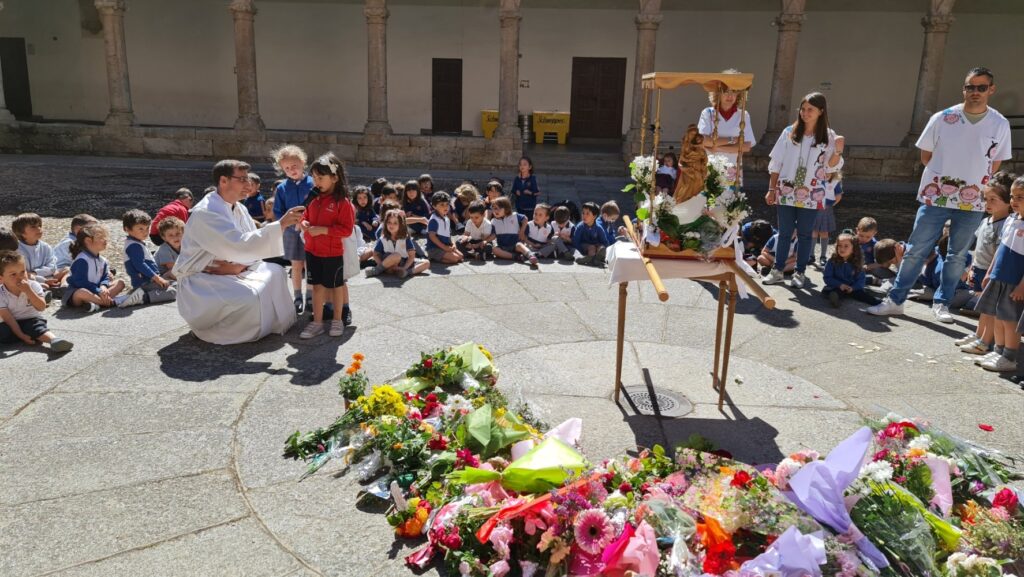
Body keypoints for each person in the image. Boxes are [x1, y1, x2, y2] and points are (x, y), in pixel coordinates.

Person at [869, 67, 1013, 322]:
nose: (975, 92)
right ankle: (896, 300)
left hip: (973, 198)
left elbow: (996, 161)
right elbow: (926, 155)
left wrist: (974, 180)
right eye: (970, 87)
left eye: (981, 87)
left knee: (957, 254)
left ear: (991, 89)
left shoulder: (999, 123)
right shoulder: (943, 118)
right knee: (916, 248)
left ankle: (942, 303)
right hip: (936, 194)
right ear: (964, 89)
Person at [173, 159, 306, 345]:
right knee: (248, 297)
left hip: (235, 266)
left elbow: (248, 244)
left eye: (248, 179)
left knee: (276, 272)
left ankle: (270, 325)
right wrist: (281, 224)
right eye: (242, 179)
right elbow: (238, 245)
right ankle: (226, 330)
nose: (248, 185)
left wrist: (240, 266)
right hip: (202, 276)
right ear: (223, 181)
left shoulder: (240, 207)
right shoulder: (207, 212)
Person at [763, 92, 844, 289]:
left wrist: (838, 150)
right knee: (785, 232)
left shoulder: (829, 136)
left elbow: (830, 168)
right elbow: (776, 163)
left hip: (813, 192)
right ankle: (778, 270)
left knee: (806, 234)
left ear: (821, 111)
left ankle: (800, 272)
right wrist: (771, 189)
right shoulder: (789, 132)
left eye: (810, 110)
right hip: (787, 190)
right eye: (803, 109)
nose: (805, 113)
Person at [298, 153, 355, 339]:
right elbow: (305, 215)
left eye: (320, 178)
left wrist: (323, 230)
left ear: (335, 178)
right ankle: (317, 323)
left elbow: (346, 230)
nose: (316, 182)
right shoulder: (313, 198)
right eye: (313, 177)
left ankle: (337, 320)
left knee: (336, 286)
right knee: (316, 287)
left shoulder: (342, 203)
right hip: (312, 250)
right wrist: (304, 223)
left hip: (332, 253)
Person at [972, 176, 1024, 372]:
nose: (1014, 201)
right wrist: (990, 272)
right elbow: (1001, 249)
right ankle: (999, 350)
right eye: (1012, 196)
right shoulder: (1011, 220)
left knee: (1010, 320)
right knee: (998, 316)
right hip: (1000, 277)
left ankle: (1009, 357)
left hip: (1015, 281)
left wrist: (1022, 285)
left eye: (1020, 197)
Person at [956, 172, 1012, 355]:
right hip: (980, 270)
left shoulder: (1006, 225)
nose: (987, 203)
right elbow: (978, 248)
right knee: (983, 309)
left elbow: (1000, 254)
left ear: (1008, 201)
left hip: (992, 273)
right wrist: (971, 267)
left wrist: (990, 273)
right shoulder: (986, 221)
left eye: (993, 199)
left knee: (990, 311)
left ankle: (984, 342)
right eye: (985, 199)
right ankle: (979, 335)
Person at [0, 251, 73, 352]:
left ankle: (54, 340)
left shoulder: (33, 285)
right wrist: (21, 335)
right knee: (3, 331)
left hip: (31, 319)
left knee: (36, 327)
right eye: (13, 274)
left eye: (23, 272)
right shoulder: (1, 293)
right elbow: (8, 318)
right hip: (10, 322)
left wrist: (28, 291)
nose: (20, 277)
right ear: (1, 279)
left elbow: (41, 307)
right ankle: (27, 336)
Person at [271, 144, 314, 315]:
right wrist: (289, 223)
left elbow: (317, 207)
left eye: (294, 166)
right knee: (296, 265)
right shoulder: (282, 188)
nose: (291, 170)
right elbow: (278, 212)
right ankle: (297, 296)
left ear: (302, 162)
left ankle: (310, 295)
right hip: (291, 232)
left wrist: (307, 222)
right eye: (287, 168)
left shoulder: (313, 184)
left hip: (310, 230)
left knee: (310, 264)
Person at [697, 71, 756, 168]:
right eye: (726, 91)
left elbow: (746, 146)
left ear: (738, 94)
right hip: (710, 166)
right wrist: (733, 140)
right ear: (718, 93)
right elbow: (703, 141)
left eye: (734, 91)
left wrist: (717, 148)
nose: (730, 96)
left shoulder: (743, 115)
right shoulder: (708, 113)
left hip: (733, 169)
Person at [63, 224, 129, 312]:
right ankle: (111, 302)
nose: (105, 240)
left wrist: (103, 286)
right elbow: (80, 282)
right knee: (82, 292)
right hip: (78, 293)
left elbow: (105, 276)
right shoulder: (82, 260)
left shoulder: (102, 260)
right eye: (101, 237)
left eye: (105, 237)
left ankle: (95, 304)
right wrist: (98, 290)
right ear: (88, 241)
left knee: (120, 283)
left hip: (97, 291)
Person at [119, 209, 176, 308]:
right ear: (127, 229)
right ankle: (142, 298)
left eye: (147, 228)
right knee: (173, 292)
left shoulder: (136, 243)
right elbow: (140, 264)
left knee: (177, 284)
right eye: (140, 229)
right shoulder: (134, 246)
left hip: (150, 281)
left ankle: (141, 294)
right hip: (145, 283)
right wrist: (157, 278)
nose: (145, 232)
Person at [366, 209, 429, 278]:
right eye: (389, 222)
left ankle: (405, 272)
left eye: (395, 223)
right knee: (396, 256)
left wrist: (404, 268)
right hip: (388, 262)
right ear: (385, 224)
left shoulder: (405, 237)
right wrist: (381, 265)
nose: (391, 225)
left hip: (403, 262)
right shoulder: (383, 238)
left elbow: (411, 255)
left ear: (401, 225)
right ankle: (378, 270)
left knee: (426, 263)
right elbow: (375, 254)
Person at [823, 232, 879, 308]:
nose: (842, 248)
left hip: (852, 287)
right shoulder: (832, 261)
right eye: (839, 245)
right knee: (833, 292)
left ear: (853, 249)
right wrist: (839, 285)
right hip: (837, 286)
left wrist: (853, 288)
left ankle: (879, 303)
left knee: (862, 295)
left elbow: (861, 280)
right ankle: (835, 299)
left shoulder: (857, 263)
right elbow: (827, 277)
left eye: (846, 246)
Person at [13, 213, 61, 291]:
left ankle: (63, 288)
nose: (39, 229)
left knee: (66, 270)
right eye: (33, 227)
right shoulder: (16, 249)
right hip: (26, 279)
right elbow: (21, 273)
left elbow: (52, 267)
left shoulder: (46, 247)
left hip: (46, 276)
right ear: (22, 232)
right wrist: (36, 277)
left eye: (39, 226)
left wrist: (35, 273)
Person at [490, 196, 533, 265]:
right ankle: (515, 257)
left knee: (520, 245)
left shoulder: (514, 215)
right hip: (502, 247)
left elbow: (525, 219)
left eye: (498, 208)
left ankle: (530, 256)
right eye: (493, 208)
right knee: (495, 250)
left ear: (506, 208)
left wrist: (522, 231)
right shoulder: (493, 221)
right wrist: (485, 240)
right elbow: (493, 235)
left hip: (515, 245)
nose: (495, 211)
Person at [426, 191, 463, 265]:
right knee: (455, 259)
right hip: (434, 248)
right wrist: (445, 248)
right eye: (442, 204)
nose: (445, 207)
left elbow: (449, 234)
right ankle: (432, 256)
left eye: (447, 204)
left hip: (446, 245)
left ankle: (441, 256)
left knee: (461, 256)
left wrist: (453, 244)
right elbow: (432, 236)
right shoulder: (434, 220)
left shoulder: (447, 218)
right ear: (434, 206)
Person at [574, 202, 610, 267]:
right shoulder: (580, 227)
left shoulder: (599, 228)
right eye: (583, 213)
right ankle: (591, 259)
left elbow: (604, 241)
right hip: (585, 246)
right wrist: (581, 253)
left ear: (594, 216)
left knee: (602, 248)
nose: (584, 216)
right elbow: (576, 241)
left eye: (587, 214)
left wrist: (604, 248)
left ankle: (595, 259)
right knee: (591, 248)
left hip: (596, 246)